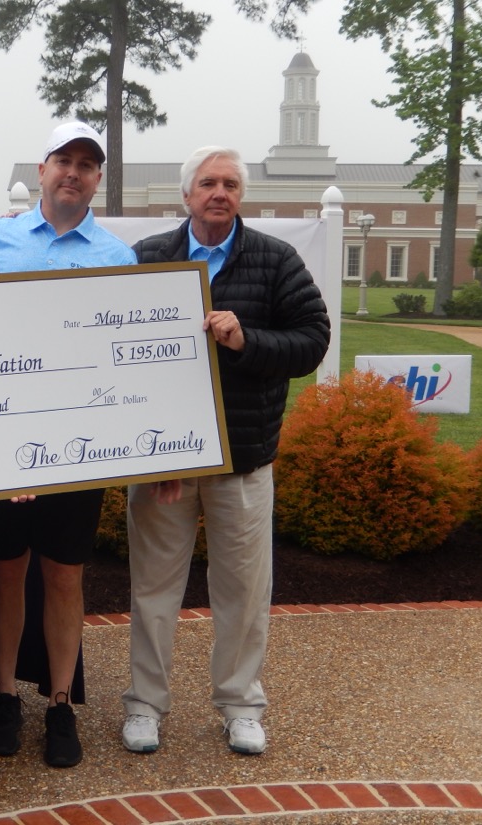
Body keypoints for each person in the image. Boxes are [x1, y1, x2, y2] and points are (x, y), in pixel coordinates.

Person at [120, 146, 330, 757]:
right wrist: (151, 455)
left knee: (243, 589)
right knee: (154, 589)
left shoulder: (274, 260)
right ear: (186, 195)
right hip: (165, 461)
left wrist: (246, 339)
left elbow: (312, 341)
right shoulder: (151, 258)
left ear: (242, 195)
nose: (220, 192)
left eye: (231, 184)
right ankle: (144, 705)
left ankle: (241, 704)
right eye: (208, 183)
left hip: (243, 458)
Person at [0, 122, 137, 768]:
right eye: (63, 160)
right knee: (6, 568)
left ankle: (60, 701)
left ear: (97, 179)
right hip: (4, 436)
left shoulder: (118, 257)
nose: (73, 171)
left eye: (87, 164)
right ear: (42, 169)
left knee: (64, 574)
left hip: (78, 442)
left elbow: (128, 361)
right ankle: (7, 692)